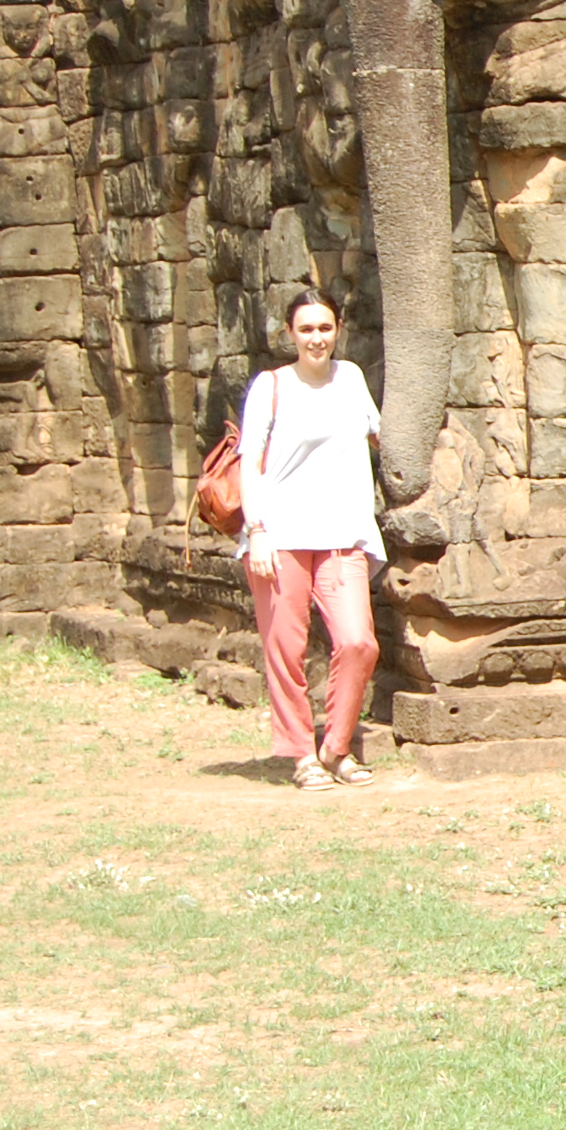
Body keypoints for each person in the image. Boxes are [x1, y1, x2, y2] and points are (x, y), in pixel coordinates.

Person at [237, 287, 387, 793]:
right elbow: (250, 463)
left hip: (343, 532)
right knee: (286, 646)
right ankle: (301, 754)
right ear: (289, 334)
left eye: (325, 328)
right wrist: (256, 531)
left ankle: (336, 746)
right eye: (306, 329)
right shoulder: (271, 385)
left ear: (338, 329)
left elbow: (379, 435)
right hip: (280, 534)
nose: (316, 338)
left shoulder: (351, 379)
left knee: (358, 641)